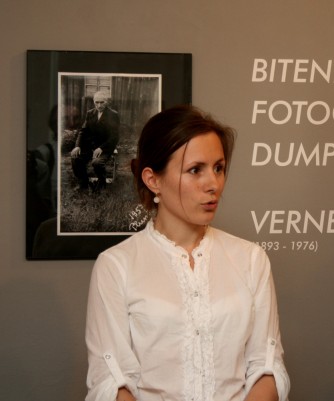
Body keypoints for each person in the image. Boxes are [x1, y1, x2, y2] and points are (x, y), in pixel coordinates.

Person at [85, 105, 290, 401]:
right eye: (195, 170)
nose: (213, 184)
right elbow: (110, 381)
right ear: (153, 180)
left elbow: (267, 367)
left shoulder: (251, 259)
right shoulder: (116, 266)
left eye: (218, 168)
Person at [71, 91, 120, 191]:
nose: (99, 105)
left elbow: (115, 137)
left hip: (105, 147)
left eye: (102, 102)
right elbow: (83, 131)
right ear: (94, 102)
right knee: (75, 157)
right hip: (90, 146)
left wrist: (101, 148)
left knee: (97, 163)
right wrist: (77, 146)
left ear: (106, 102)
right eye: (96, 102)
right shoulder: (90, 113)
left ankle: (101, 183)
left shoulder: (113, 115)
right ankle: (83, 183)